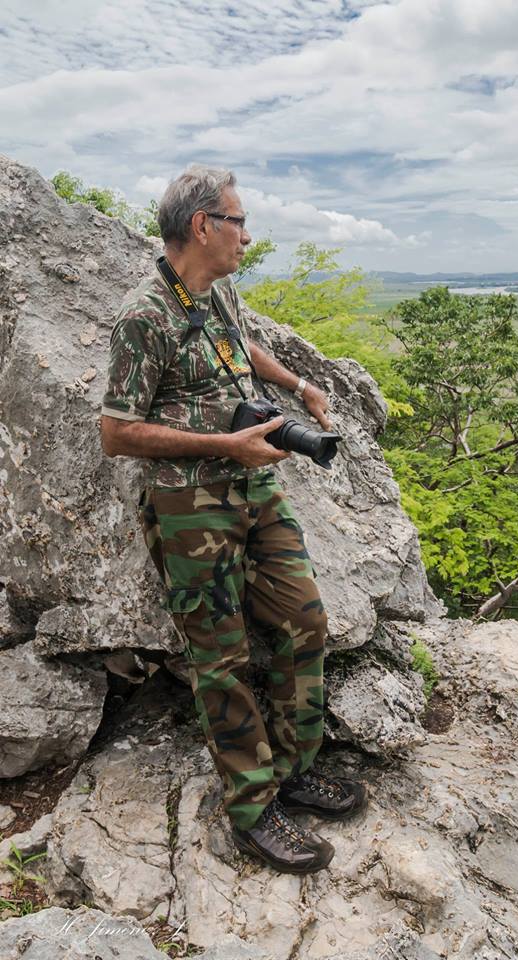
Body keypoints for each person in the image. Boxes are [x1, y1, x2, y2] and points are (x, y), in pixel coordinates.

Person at [100, 165, 367, 875]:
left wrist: (298, 384)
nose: (247, 235)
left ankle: (295, 769)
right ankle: (252, 808)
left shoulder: (216, 292)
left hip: (256, 491)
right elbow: (116, 432)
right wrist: (225, 445)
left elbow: (238, 347)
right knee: (221, 659)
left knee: (304, 623)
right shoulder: (142, 315)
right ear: (202, 226)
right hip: (190, 507)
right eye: (239, 222)